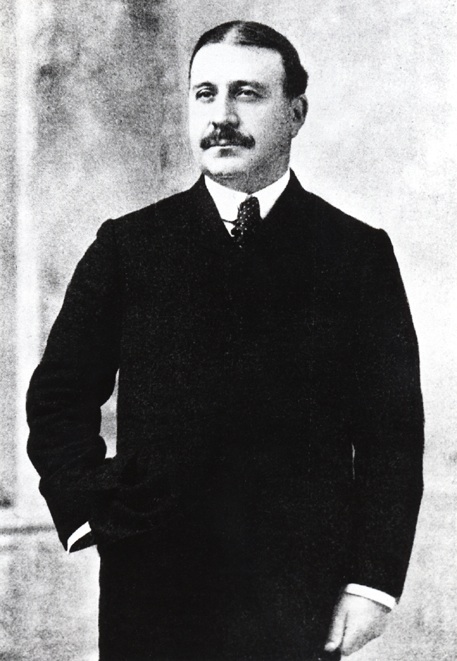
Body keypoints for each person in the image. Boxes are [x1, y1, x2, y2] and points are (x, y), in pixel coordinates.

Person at [26, 20, 424, 661]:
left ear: (295, 113)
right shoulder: (130, 247)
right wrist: (88, 509)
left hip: (297, 594)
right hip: (154, 589)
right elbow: (58, 400)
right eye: (205, 94)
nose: (222, 115)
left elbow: (391, 438)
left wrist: (372, 583)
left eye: (247, 93)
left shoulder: (355, 254)